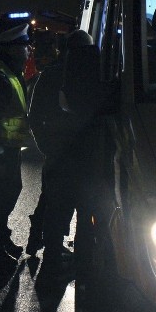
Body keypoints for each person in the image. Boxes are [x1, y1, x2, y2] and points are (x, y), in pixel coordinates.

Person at [26, 29, 94, 273]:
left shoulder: (50, 76)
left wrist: (47, 147)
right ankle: (62, 255)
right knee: (74, 206)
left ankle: (51, 250)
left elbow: (34, 118)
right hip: (80, 157)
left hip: (62, 156)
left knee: (55, 204)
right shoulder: (90, 76)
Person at [0, 23, 32, 266]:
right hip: (2, 149)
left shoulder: (12, 72)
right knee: (1, 195)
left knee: (10, 191)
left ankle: (2, 237)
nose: (28, 50)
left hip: (10, 147)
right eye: (24, 46)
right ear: (12, 49)